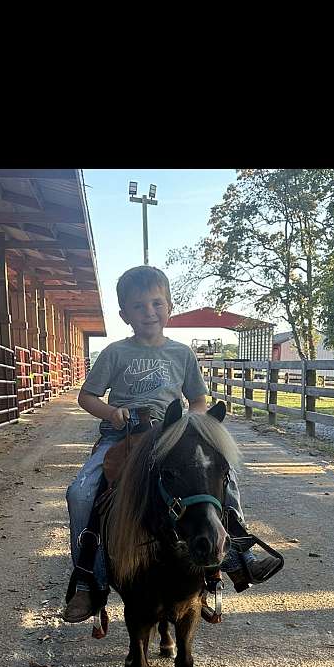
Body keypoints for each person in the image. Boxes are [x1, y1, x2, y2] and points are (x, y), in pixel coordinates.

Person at [63, 265, 277, 622]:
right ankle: (90, 580)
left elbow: (198, 399)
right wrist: (112, 412)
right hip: (125, 435)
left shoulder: (182, 354)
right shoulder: (115, 353)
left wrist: (192, 422)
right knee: (81, 493)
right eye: (139, 306)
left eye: (156, 303)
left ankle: (239, 552)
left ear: (169, 307)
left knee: (224, 476)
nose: (149, 312)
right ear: (124, 314)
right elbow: (87, 396)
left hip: (172, 434)